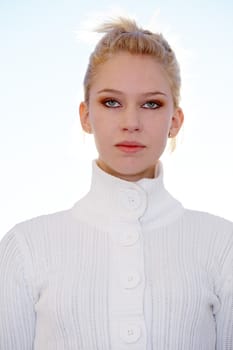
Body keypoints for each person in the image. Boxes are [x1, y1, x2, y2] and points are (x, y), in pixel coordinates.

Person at [0, 16, 232, 350]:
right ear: (85, 116)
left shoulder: (223, 246)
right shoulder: (26, 248)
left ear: (175, 121)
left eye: (151, 104)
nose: (131, 122)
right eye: (111, 102)